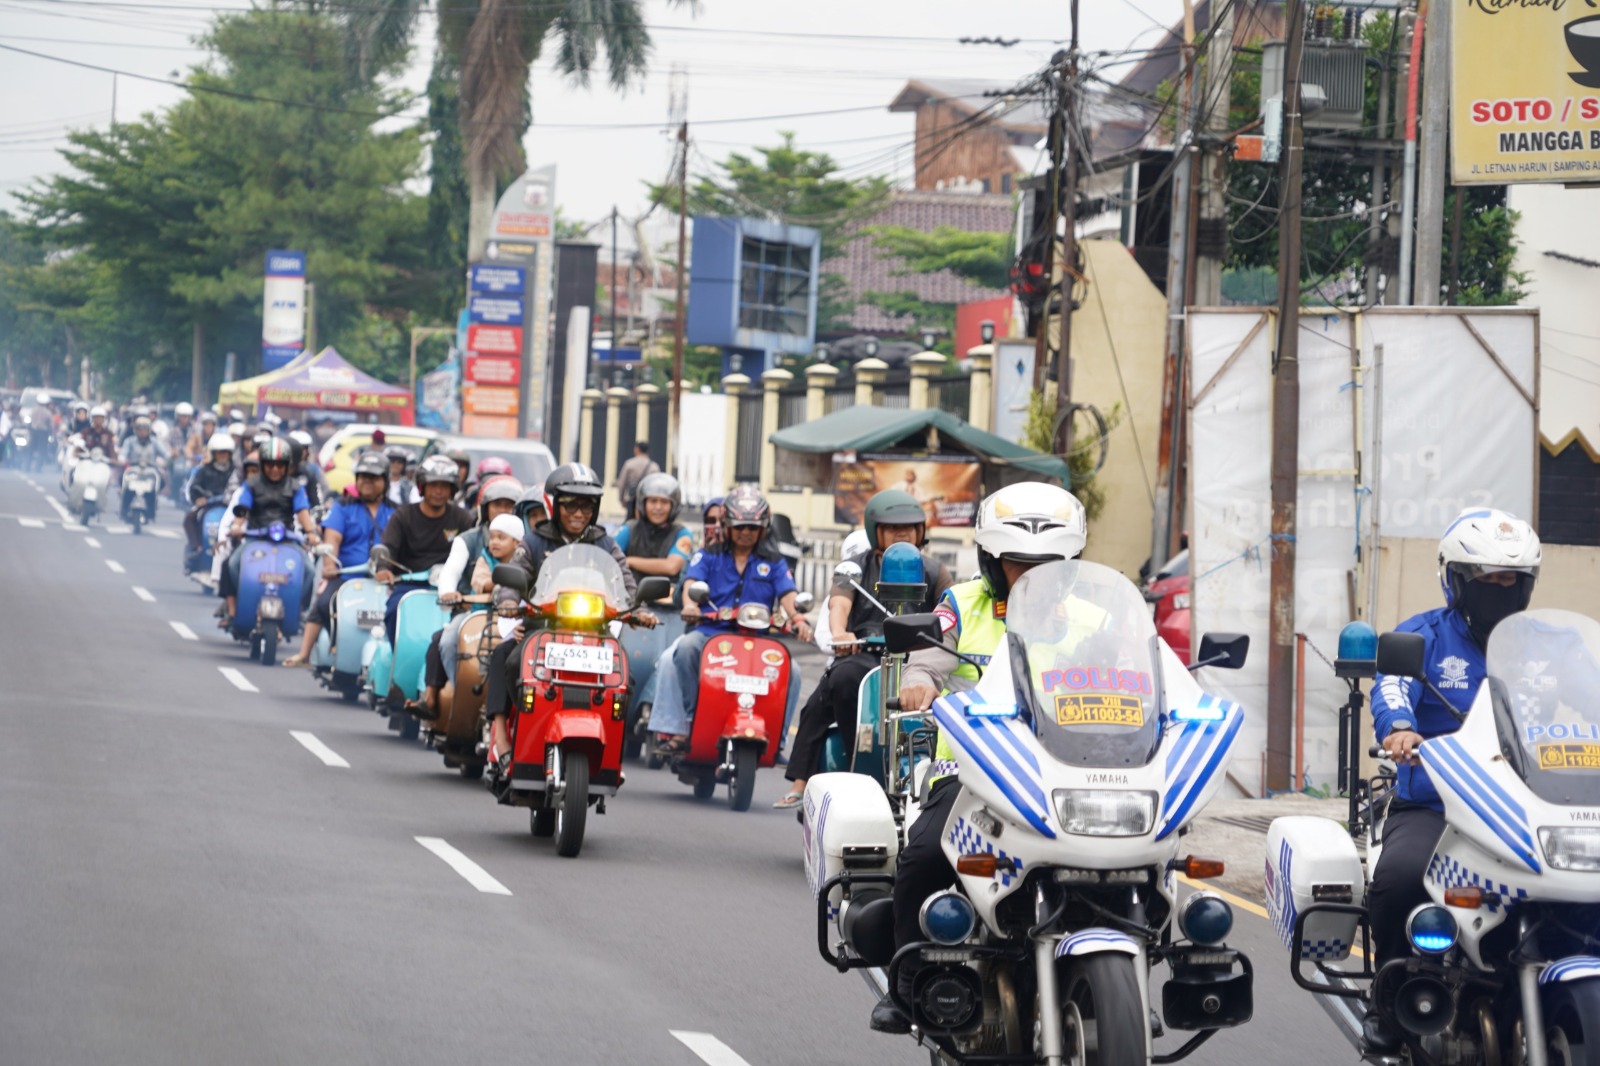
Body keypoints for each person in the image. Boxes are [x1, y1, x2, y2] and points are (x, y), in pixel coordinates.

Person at [870, 482, 1088, 1035]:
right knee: (920, 857)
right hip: (971, 772)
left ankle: (1113, 975)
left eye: (1049, 564)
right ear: (992, 561)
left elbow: (1140, 676)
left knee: (1128, 865)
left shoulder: (1092, 618)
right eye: (1019, 563)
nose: (1033, 575)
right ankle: (908, 984)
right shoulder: (962, 605)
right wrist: (919, 684)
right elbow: (924, 662)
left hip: (1069, 776)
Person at [1360, 507, 1541, 1054]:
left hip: (1527, 810)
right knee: (1398, 882)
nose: (1498, 591)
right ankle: (1390, 1004)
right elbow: (1390, 686)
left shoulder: (1540, 646)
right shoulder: (1423, 637)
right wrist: (1400, 729)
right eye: (1486, 580)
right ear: (1455, 580)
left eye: (1510, 580)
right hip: (1437, 807)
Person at [775, 490, 955, 809]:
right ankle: (847, 761)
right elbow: (839, 604)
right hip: (865, 654)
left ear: (921, 531)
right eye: (892, 528)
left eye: (910, 527)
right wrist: (840, 633)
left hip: (921, 658)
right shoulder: (854, 569)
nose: (903, 534)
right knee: (835, 686)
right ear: (875, 530)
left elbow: (953, 609)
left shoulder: (934, 570)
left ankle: (943, 779)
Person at [482, 463, 641, 769]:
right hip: (541, 628)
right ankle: (501, 732)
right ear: (555, 505)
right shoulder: (533, 541)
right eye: (570, 505)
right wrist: (508, 600)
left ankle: (611, 755)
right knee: (508, 658)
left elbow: (627, 583)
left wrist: (640, 609)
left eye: (586, 506)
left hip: (596, 633)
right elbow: (513, 575)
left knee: (624, 679)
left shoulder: (606, 544)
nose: (578, 513)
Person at [650, 484, 813, 754]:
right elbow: (692, 582)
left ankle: (778, 739)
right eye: (739, 527)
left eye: (752, 527)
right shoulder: (709, 554)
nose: (746, 533)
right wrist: (691, 605)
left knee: (792, 671)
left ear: (762, 528)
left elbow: (787, 593)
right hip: (710, 633)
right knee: (687, 649)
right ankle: (691, 719)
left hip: (757, 638)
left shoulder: (773, 561)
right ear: (727, 525)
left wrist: (798, 619)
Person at [410, 475, 524, 714]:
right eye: (497, 504)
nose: (503, 510)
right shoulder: (470, 541)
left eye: (509, 505)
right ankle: (459, 694)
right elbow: (451, 572)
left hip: (514, 616)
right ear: (485, 508)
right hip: (474, 613)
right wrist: (449, 592)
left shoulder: (527, 546)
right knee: (449, 639)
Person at [283, 451, 396, 668]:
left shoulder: (395, 512)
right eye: (363, 477)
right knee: (325, 602)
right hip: (347, 578)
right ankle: (305, 653)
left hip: (386, 578)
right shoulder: (342, 508)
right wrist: (329, 566)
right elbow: (332, 539)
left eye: (373, 477)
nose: (367, 482)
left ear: (385, 481)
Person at [370, 454, 474, 647]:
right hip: (409, 586)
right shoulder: (403, 516)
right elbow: (388, 547)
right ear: (421, 486)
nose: (438, 491)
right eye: (433, 485)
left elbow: (473, 550)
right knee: (393, 611)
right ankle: (397, 662)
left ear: (452, 489)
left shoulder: (463, 519)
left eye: (444, 486)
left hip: (451, 591)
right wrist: (384, 567)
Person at [219, 438, 319, 627]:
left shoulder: (296, 488)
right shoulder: (251, 485)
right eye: (270, 465)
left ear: (287, 466)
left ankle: (296, 608)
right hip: (255, 537)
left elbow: (303, 513)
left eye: (280, 465)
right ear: (263, 465)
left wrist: (312, 533)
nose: (275, 469)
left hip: (287, 540)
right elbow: (242, 509)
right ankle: (236, 606)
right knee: (232, 564)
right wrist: (237, 526)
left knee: (309, 570)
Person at [615, 472, 695, 591]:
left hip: (667, 604)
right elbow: (607, 555)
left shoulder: (683, 534)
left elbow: (671, 566)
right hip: (630, 598)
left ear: (673, 506)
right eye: (653, 501)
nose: (658, 507)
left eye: (664, 502)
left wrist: (630, 561)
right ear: (643, 503)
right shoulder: (629, 529)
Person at [183, 433, 238, 563]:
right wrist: (199, 498)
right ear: (213, 454)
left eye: (225, 452)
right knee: (189, 518)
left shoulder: (236, 471)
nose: (222, 456)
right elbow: (194, 487)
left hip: (230, 507)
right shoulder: (204, 470)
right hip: (208, 505)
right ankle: (197, 548)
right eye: (219, 453)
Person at [118, 416, 170, 520]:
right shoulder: (129, 441)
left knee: (160, 483)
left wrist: (168, 459)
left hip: (150, 470)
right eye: (140, 429)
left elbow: (165, 454)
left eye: (145, 429)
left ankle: (151, 510)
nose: (142, 432)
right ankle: (123, 511)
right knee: (125, 484)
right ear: (135, 430)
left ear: (149, 430)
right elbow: (123, 453)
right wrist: (121, 459)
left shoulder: (154, 442)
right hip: (134, 469)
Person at [616, 440, 659, 519]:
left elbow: (621, 483)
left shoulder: (629, 464)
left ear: (637, 449)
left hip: (632, 499)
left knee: (630, 524)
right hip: (647, 500)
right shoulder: (654, 467)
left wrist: (621, 499)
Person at [288, 429, 330, 510]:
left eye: (304, 448)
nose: (300, 452)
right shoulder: (280, 468)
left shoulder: (312, 470)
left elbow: (322, 489)